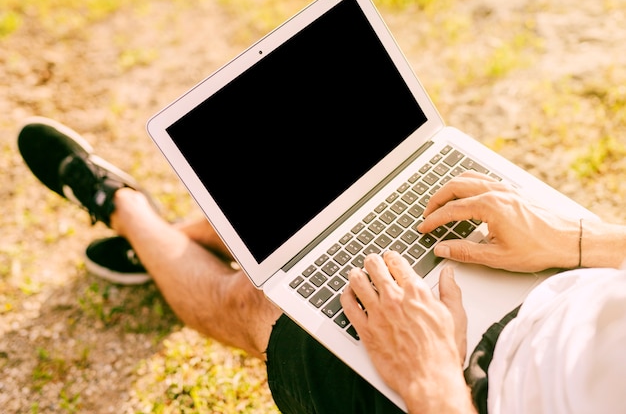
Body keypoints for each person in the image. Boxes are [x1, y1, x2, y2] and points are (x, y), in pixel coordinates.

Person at [17, 117, 626, 413]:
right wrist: (582, 240)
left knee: (259, 302)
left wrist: (430, 379)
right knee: (344, 202)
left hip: (471, 393)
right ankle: (178, 243)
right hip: (568, 280)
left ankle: (120, 205)